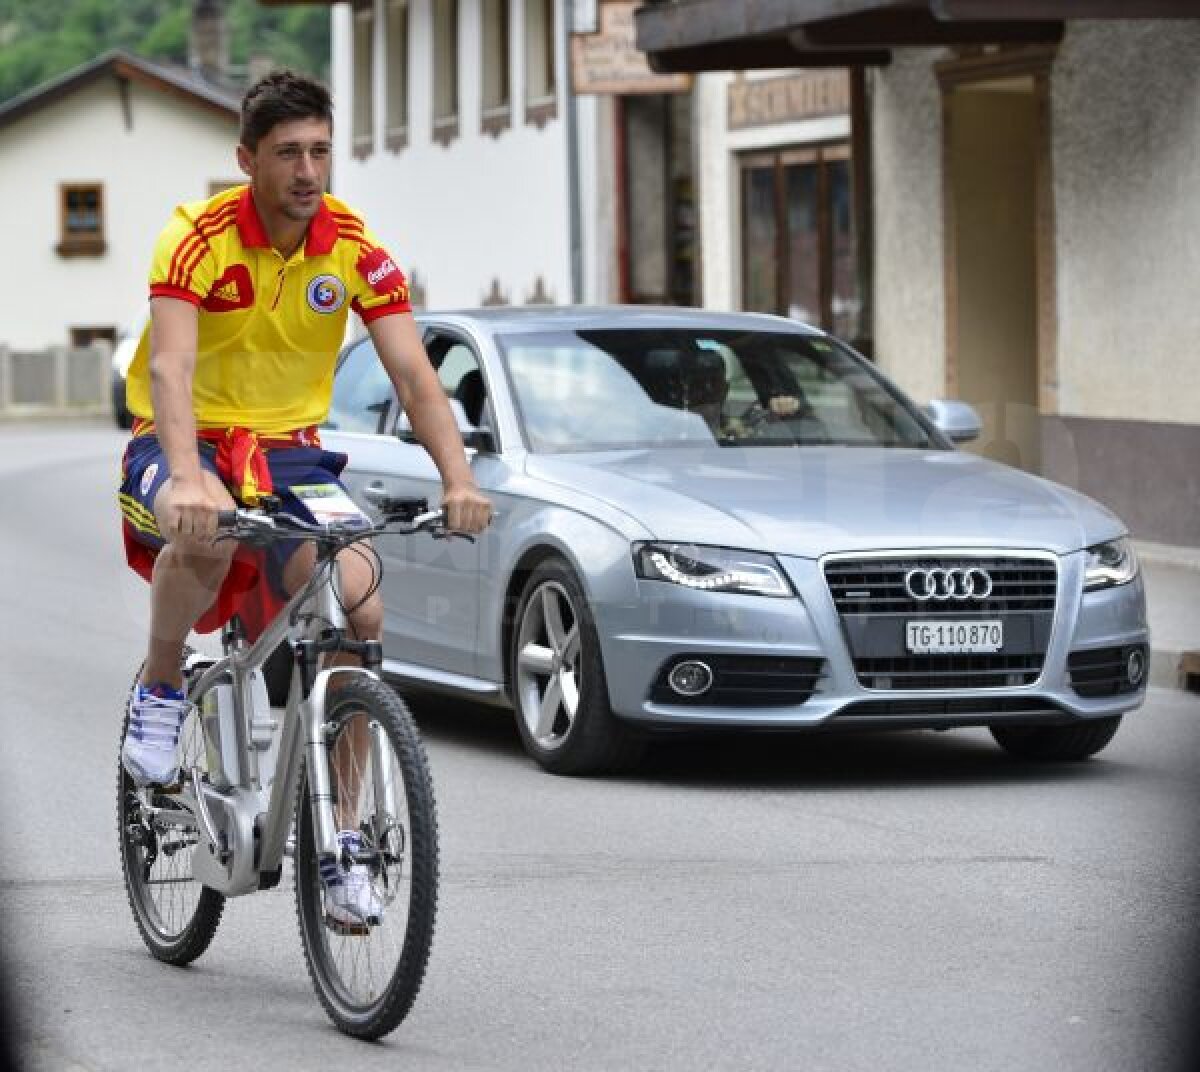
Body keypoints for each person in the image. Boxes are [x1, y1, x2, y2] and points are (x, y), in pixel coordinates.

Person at [117, 70, 491, 927]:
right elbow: (172, 368)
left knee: (358, 606)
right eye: (288, 153)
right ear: (247, 159)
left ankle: (348, 842)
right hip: (187, 436)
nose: (307, 170)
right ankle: (164, 689)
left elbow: (412, 372)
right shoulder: (197, 237)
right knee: (205, 532)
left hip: (290, 454)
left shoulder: (352, 245)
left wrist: (459, 478)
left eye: (321, 150)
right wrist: (182, 473)